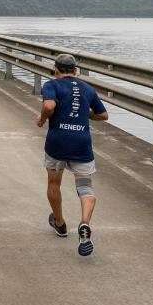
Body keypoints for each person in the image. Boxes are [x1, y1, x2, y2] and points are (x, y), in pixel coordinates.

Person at [36, 54, 109, 257]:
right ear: (75, 70)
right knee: (85, 187)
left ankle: (59, 223)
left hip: (57, 142)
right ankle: (84, 223)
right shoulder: (87, 88)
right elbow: (103, 115)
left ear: (56, 69)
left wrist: (42, 119)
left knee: (53, 183)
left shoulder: (52, 84)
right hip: (81, 144)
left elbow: (49, 106)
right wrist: (86, 114)